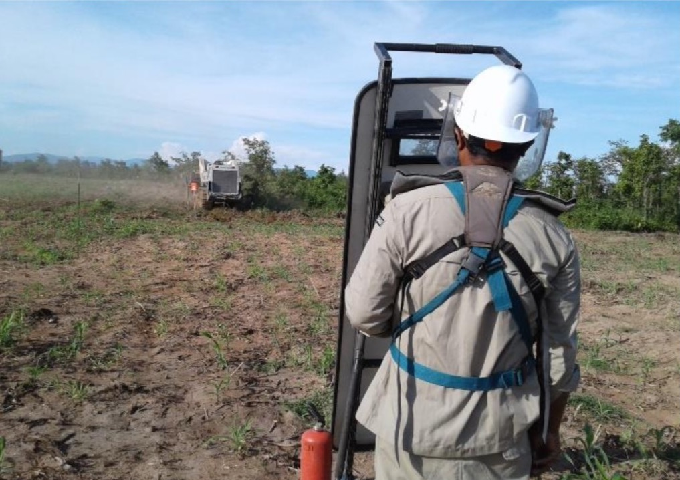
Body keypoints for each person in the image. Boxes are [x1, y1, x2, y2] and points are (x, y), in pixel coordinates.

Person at [344, 65, 581, 480]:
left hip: (410, 426)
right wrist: (549, 433)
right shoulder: (553, 234)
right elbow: (557, 360)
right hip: (502, 439)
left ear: (457, 133)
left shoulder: (406, 210)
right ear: (526, 146)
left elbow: (364, 313)